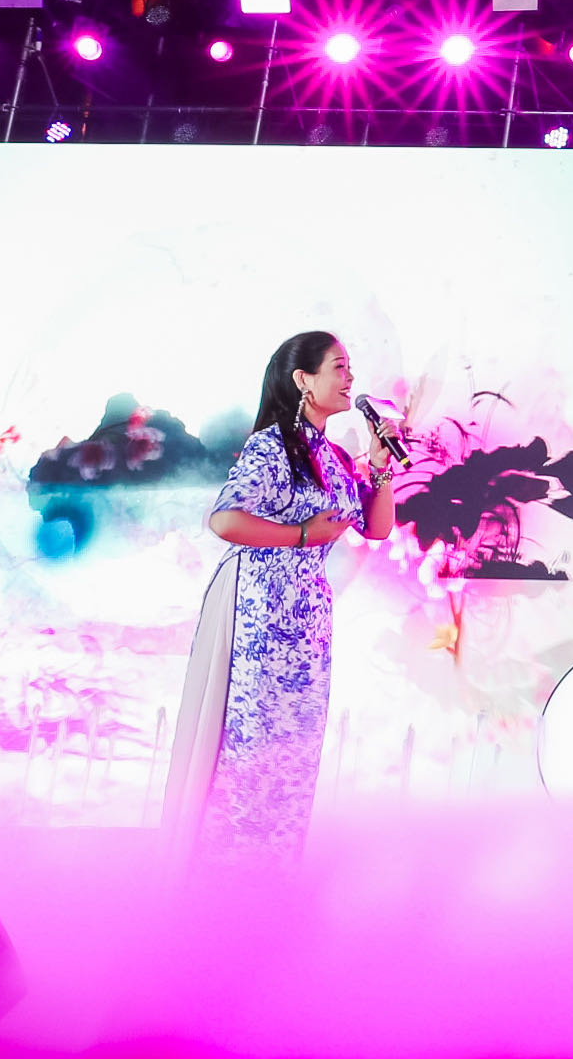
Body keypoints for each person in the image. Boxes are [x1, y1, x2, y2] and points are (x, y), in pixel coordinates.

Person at [163, 331, 399, 860]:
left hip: (308, 621)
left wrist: (380, 464)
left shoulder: (334, 456)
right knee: (250, 749)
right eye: (339, 367)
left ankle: (274, 874)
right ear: (303, 380)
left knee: (293, 754)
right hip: (262, 614)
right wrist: (302, 535)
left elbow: (377, 527)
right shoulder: (270, 448)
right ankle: (227, 875)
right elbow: (225, 520)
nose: (351, 378)